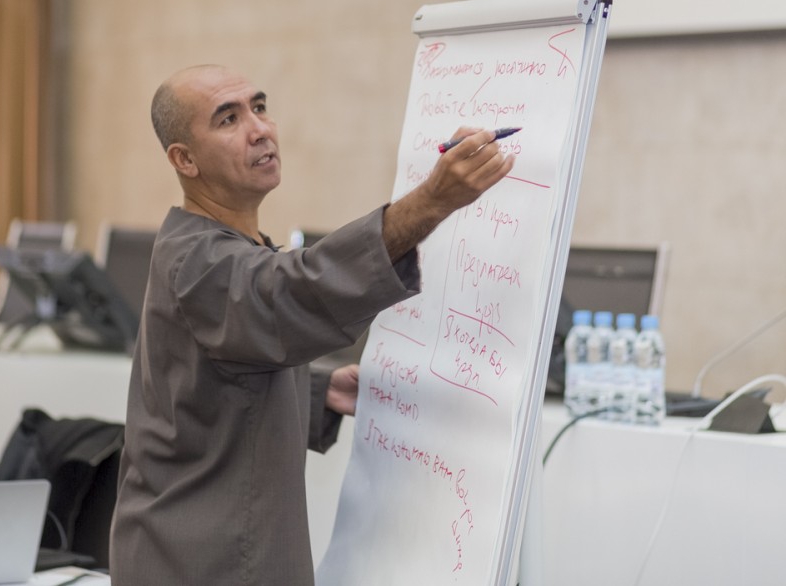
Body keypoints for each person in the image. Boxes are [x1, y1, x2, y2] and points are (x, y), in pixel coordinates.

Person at [110, 64, 514, 585]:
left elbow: (208, 384)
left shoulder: (222, 247)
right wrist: (431, 200)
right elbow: (291, 293)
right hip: (201, 563)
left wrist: (318, 392)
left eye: (259, 107)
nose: (260, 129)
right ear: (184, 159)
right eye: (229, 119)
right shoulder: (200, 261)